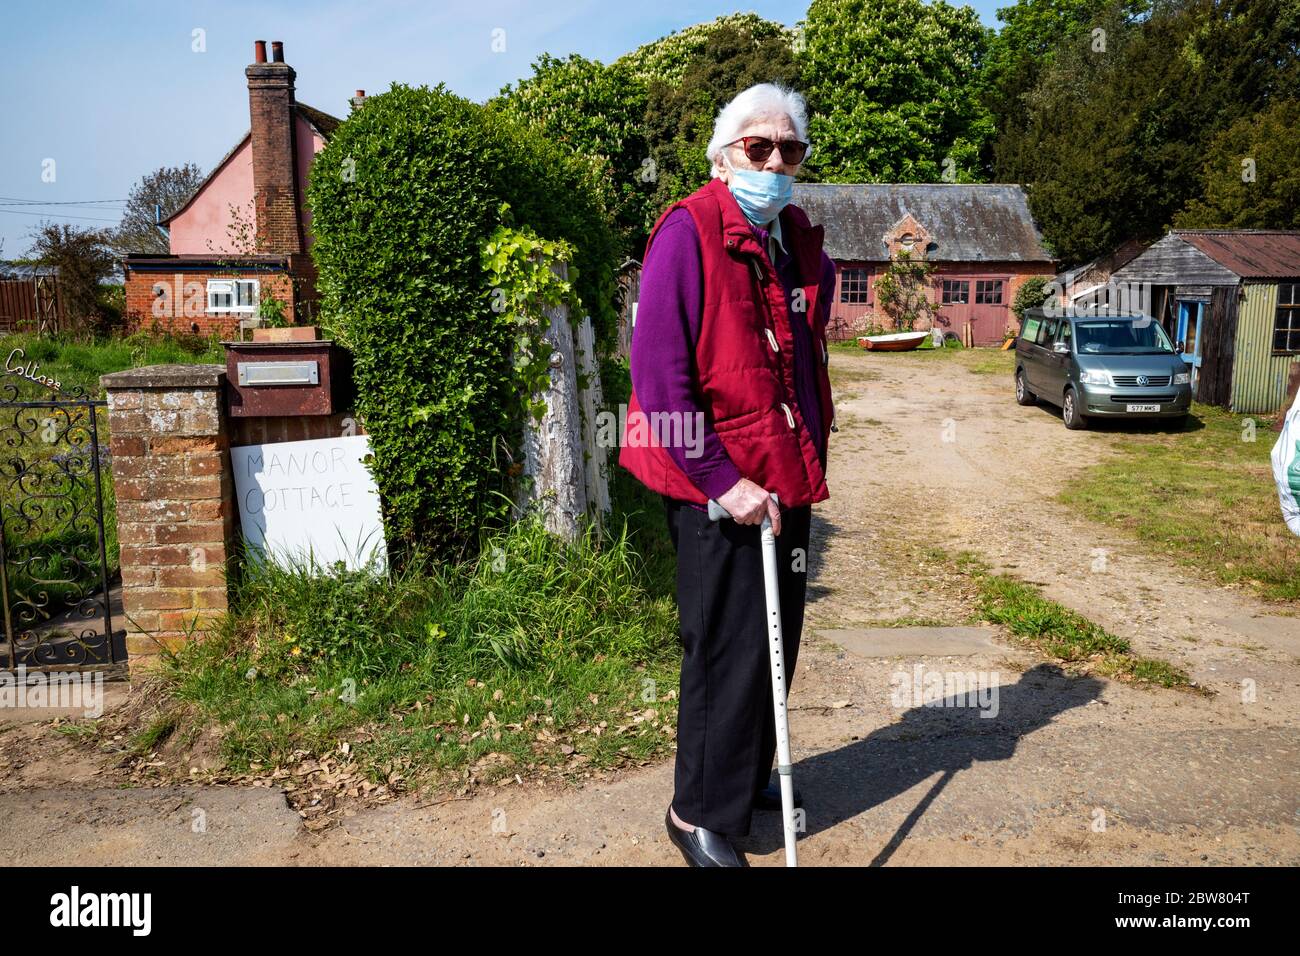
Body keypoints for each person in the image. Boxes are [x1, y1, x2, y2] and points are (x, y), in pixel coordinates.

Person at [618, 82, 837, 867]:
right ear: (723, 156)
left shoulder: (790, 239)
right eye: (759, 147)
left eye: (790, 150)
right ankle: (696, 811)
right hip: (719, 489)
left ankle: (745, 780)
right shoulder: (688, 231)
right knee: (723, 648)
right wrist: (723, 481)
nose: (776, 161)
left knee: (774, 645)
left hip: (786, 478)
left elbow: (799, 352)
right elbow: (660, 380)